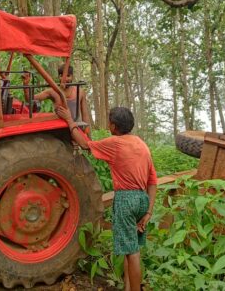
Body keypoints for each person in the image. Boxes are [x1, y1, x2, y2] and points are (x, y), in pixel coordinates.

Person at [55, 105, 157, 291]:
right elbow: (153, 181)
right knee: (131, 248)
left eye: (109, 122)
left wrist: (69, 120)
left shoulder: (115, 143)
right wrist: (149, 211)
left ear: (113, 126)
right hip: (143, 199)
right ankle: (128, 287)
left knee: (132, 252)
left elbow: (85, 145)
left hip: (126, 199)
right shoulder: (141, 144)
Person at [22, 64, 91, 126]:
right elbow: (29, 98)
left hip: (77, 126)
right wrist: (26, 84)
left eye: (68, 76)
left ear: (72, 77)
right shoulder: (52, 91)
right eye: (62, 76)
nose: (65, 79)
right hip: (60, 128)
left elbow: (85, 114)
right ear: (59, 77)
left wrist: (87, 131)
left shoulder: (80, 92)